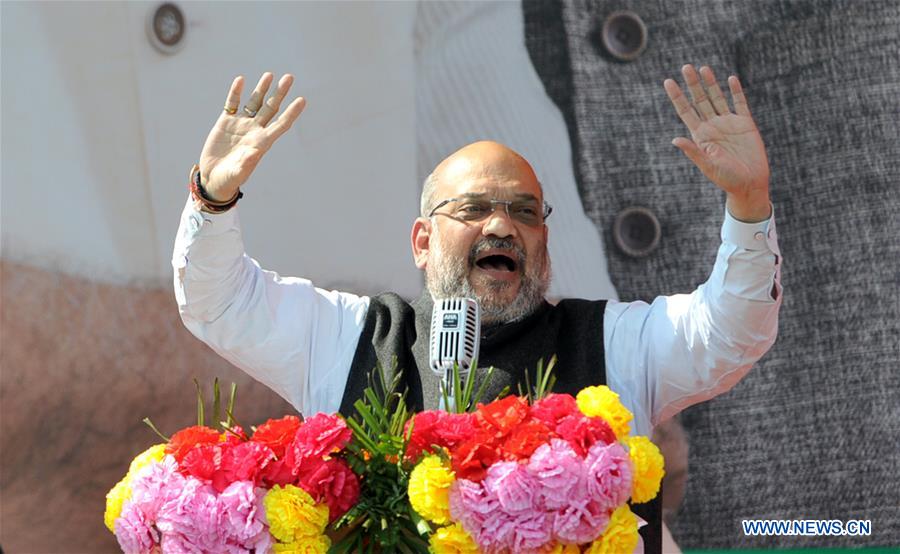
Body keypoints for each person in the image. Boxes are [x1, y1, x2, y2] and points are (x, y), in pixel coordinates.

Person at [173, 65, 781, 552]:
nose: (501, 226)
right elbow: (220, 300)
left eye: (524, 211)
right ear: (421, 241)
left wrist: (750, 206)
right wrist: (212, 197)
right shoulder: (348, 336)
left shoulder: (612, 340)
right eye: (472, 209)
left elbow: (729, 330)